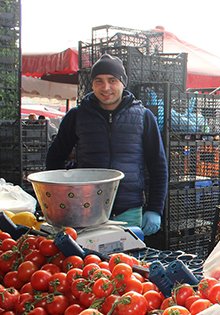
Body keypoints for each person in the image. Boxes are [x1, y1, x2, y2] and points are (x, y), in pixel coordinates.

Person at [46, 54, 168, 235]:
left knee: (124, 262)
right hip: (85, 210)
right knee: (88, 262)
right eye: (98, 81)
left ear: (123, 82)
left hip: (129, 210)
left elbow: (158, 166)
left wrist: (155, 209)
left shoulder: (143, 117)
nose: (106, 87)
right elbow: (54, 159)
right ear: (92, 84)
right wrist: (62, 200)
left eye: (112, 80)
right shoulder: (77, 116)